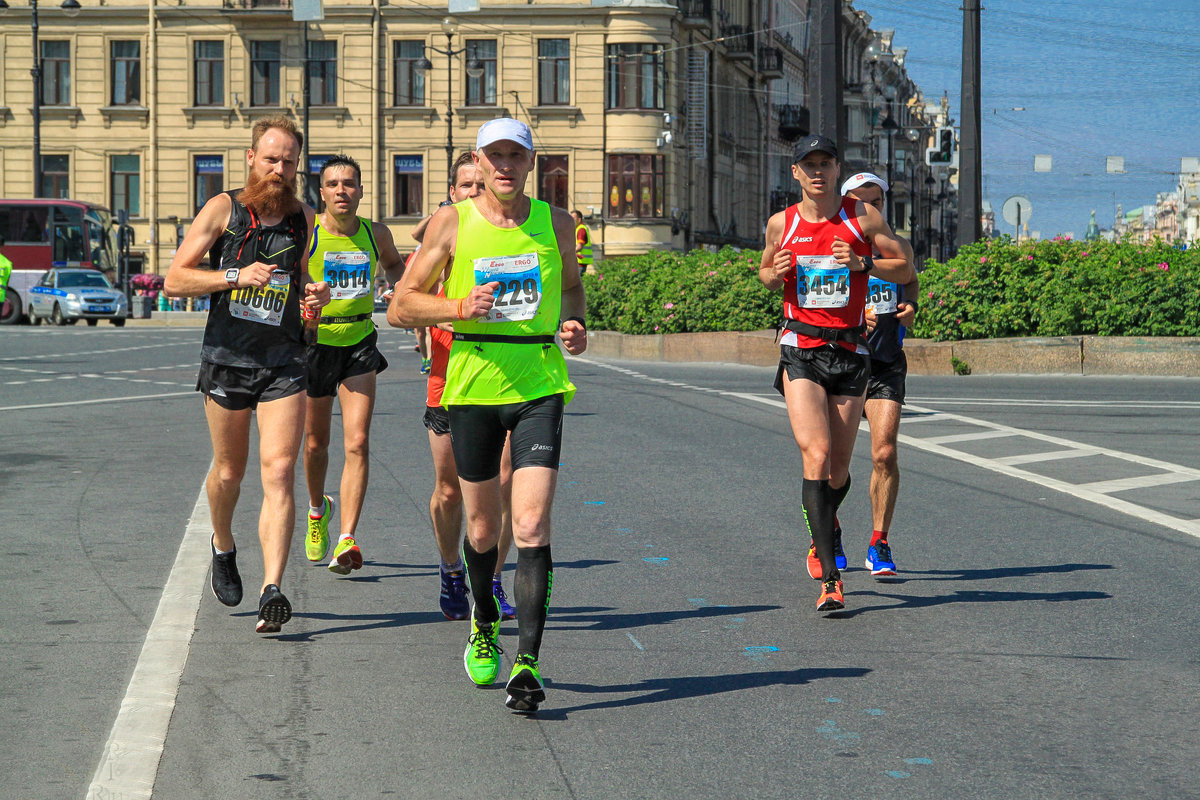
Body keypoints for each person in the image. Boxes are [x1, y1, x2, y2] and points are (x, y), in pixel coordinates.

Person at [389, 118, 586, 713]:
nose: (505, 166)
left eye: (516, 156)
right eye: (495, 156)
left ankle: (526, 661)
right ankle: (481, 624)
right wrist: (455, 305)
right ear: (478, 160)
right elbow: (401, 306)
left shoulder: (555, 223)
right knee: (480, 529)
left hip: (540, 382)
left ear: (532, 163)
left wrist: (576, 327)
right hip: (472, 385)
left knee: (528, 528)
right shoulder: (453, 221)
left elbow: (572, 290)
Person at [163, 116, 328, 634]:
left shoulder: (304, 216)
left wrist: (314, 300)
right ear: (252, 159)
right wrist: (234, 276)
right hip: (228, 360)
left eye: (289, 162)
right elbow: (174, 280)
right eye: (272, 159)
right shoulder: (223, 209)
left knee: (278, 473)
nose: (280, 170)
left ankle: (271, 588)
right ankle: (223, 543)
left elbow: (303, 282)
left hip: (284, 362)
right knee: (230, 473)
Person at [758, 135, 914, 613]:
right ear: (796, 173)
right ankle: (830, 577)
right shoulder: (781, 223)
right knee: (817, 453)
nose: (818, 171)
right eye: (809, 165)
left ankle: (821, 524)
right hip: (800, 346)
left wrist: (864, 261)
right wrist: (775, 271)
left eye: (826, 163)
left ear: (836, 167)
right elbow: (764, 272)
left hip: (849, 349)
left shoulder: (861, 217)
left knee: (840, 470)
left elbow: (904, 266)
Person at [412, 151, 518, 622]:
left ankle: (490, 580)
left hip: (505, 378)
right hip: (447, 382)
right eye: (465, 186)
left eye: (481, 185)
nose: (474, 193)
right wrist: (453, 309)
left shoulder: (508, 239)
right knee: (450, 491)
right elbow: (404, 306)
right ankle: (452, 568)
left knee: (505, 484)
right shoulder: (439, 242)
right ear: (451, 194)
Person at [303, 154, 405, 575]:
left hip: (360, 340)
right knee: (315, 445)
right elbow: (284, 280)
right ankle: (316, 509)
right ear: (321, 192)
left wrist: (400, 289)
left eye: (350, 184)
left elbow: (396, 265)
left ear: (362, 191)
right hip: (315, 343)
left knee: (358, 442)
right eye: (333, 184)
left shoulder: (375, 233)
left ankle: (347, 536)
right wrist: (306, 300)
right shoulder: (307, 234)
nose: (342, 191)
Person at [841, 172, 919, 578]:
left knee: (884, 452)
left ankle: (878, 542)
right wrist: (856, 315)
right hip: (842, 361)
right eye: (860, 202)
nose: (869, 210)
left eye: (876, 202)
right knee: (832, 461)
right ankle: (828, 532)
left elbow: (911, 284)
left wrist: (910, 309)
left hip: (886, 361)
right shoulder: (836, 247)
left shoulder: (898, 247)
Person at [571, 210, 593, 275]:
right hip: (579, 263)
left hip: (580, 263)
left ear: (579, 219)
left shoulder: (581, 230)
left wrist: (569, 253)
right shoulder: (578, 229)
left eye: (573, 218)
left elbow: (579, 247)